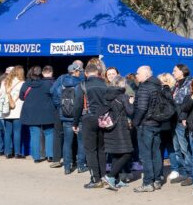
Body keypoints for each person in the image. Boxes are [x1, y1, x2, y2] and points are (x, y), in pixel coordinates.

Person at [132, 65, 165, 192]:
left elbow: (142, 108)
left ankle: (147, 183)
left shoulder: (145, 87)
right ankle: (157, 180)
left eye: (138, 73)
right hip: (157, 123)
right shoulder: (158, 86)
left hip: (145, 124)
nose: (136, 75)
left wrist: (135, 122)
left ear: (146, 74)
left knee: (146, 155)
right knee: (156, 153)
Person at [102, 75, 136, 190]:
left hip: (109, 128)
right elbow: (130, 112)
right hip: (121, 128)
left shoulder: (107, 95)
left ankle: (116, 180)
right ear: (121, 85)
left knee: (116, 154)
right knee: (127, 153)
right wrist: (131, 102)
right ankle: (110, 176)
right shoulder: (123, 97)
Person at [53, 61, 86, 174]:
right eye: (79, 71)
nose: (80, 73)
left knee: (67, 142)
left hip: (66, 116)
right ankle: (81, 165)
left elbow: (54, 94)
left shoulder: (61, 82)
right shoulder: (82, 83)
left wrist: (61, 107)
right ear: (75, 71)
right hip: (80, 116)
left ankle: (67, 167)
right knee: (81, 142)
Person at [80, 60, 110, 188]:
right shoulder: (106, 85)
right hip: (103, 119)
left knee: (90, 150)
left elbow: (77, 105)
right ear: (98, 72)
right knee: (101, 149)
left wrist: (75, 122)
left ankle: (95, 179)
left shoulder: (83, 85)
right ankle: (103, 176)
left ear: (86, 73)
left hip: (89, 118)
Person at [20, 65, 58, 163]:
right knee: (49, 132)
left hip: (31, 112)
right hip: (47, 111)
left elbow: (21, 97)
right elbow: (54, 96)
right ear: (41, 74)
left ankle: (36, 157)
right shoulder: (47, 84)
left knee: (34, 134)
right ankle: (50, 155)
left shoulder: (25, 84)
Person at [168, 64, 193, 184]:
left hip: (182, 120)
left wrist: (184, 117)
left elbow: (189, 103)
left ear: (182, 71)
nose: (173, 72)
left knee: (185, 148)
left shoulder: (189, 83)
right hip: (173, 120)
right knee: (176, 148)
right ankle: (183, 173)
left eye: (175, 70)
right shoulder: (176, 85)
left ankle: (191, 175)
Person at [0, 66, 26, 159]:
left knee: (8, 132)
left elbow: (0, 95)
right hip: (18, 110)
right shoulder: (22, 83)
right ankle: (17, 153)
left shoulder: (4, 82)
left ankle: (7, 152)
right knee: (17, 132)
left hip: (7, 110)